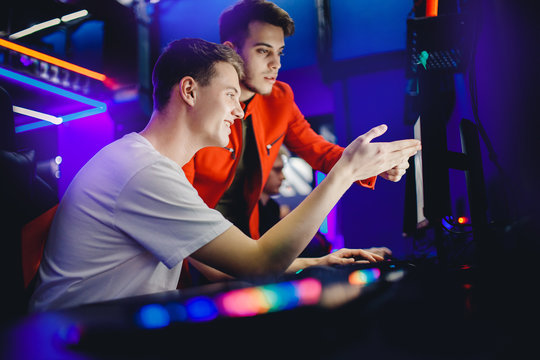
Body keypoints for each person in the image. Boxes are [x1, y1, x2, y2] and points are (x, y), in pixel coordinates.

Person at [28, 38, 420, 312]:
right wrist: (345, 171)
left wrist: (319, 263)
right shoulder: (141, 172)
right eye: (231, 94)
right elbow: (258, 263)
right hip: (75, 342)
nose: (238, 110)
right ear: (189, 91)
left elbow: (218, 266)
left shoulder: (152, 166)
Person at [182, 0, 405, 280]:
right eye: (264, 51)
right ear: (231, 51)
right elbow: (181, 214)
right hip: (194, 262)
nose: (276, 64)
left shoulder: (280, 98)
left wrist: (373, 164)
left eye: (280, 53)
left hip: (248, 254)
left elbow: (319, 151)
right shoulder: (197, 106)